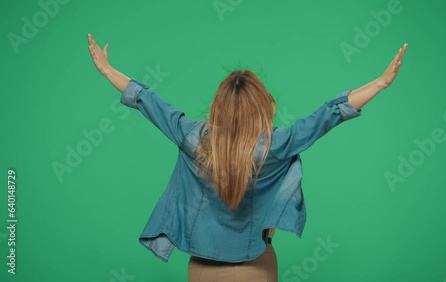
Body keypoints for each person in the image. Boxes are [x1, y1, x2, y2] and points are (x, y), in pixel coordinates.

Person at [87, 34, 408, 281]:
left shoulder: (192, 136)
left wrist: (106, 70)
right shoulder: (276, 144)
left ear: (218, 107)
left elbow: (147, 101)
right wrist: (380, 83)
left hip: (200, 269)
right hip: (256, 268)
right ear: (262, 107)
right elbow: (329, 114)